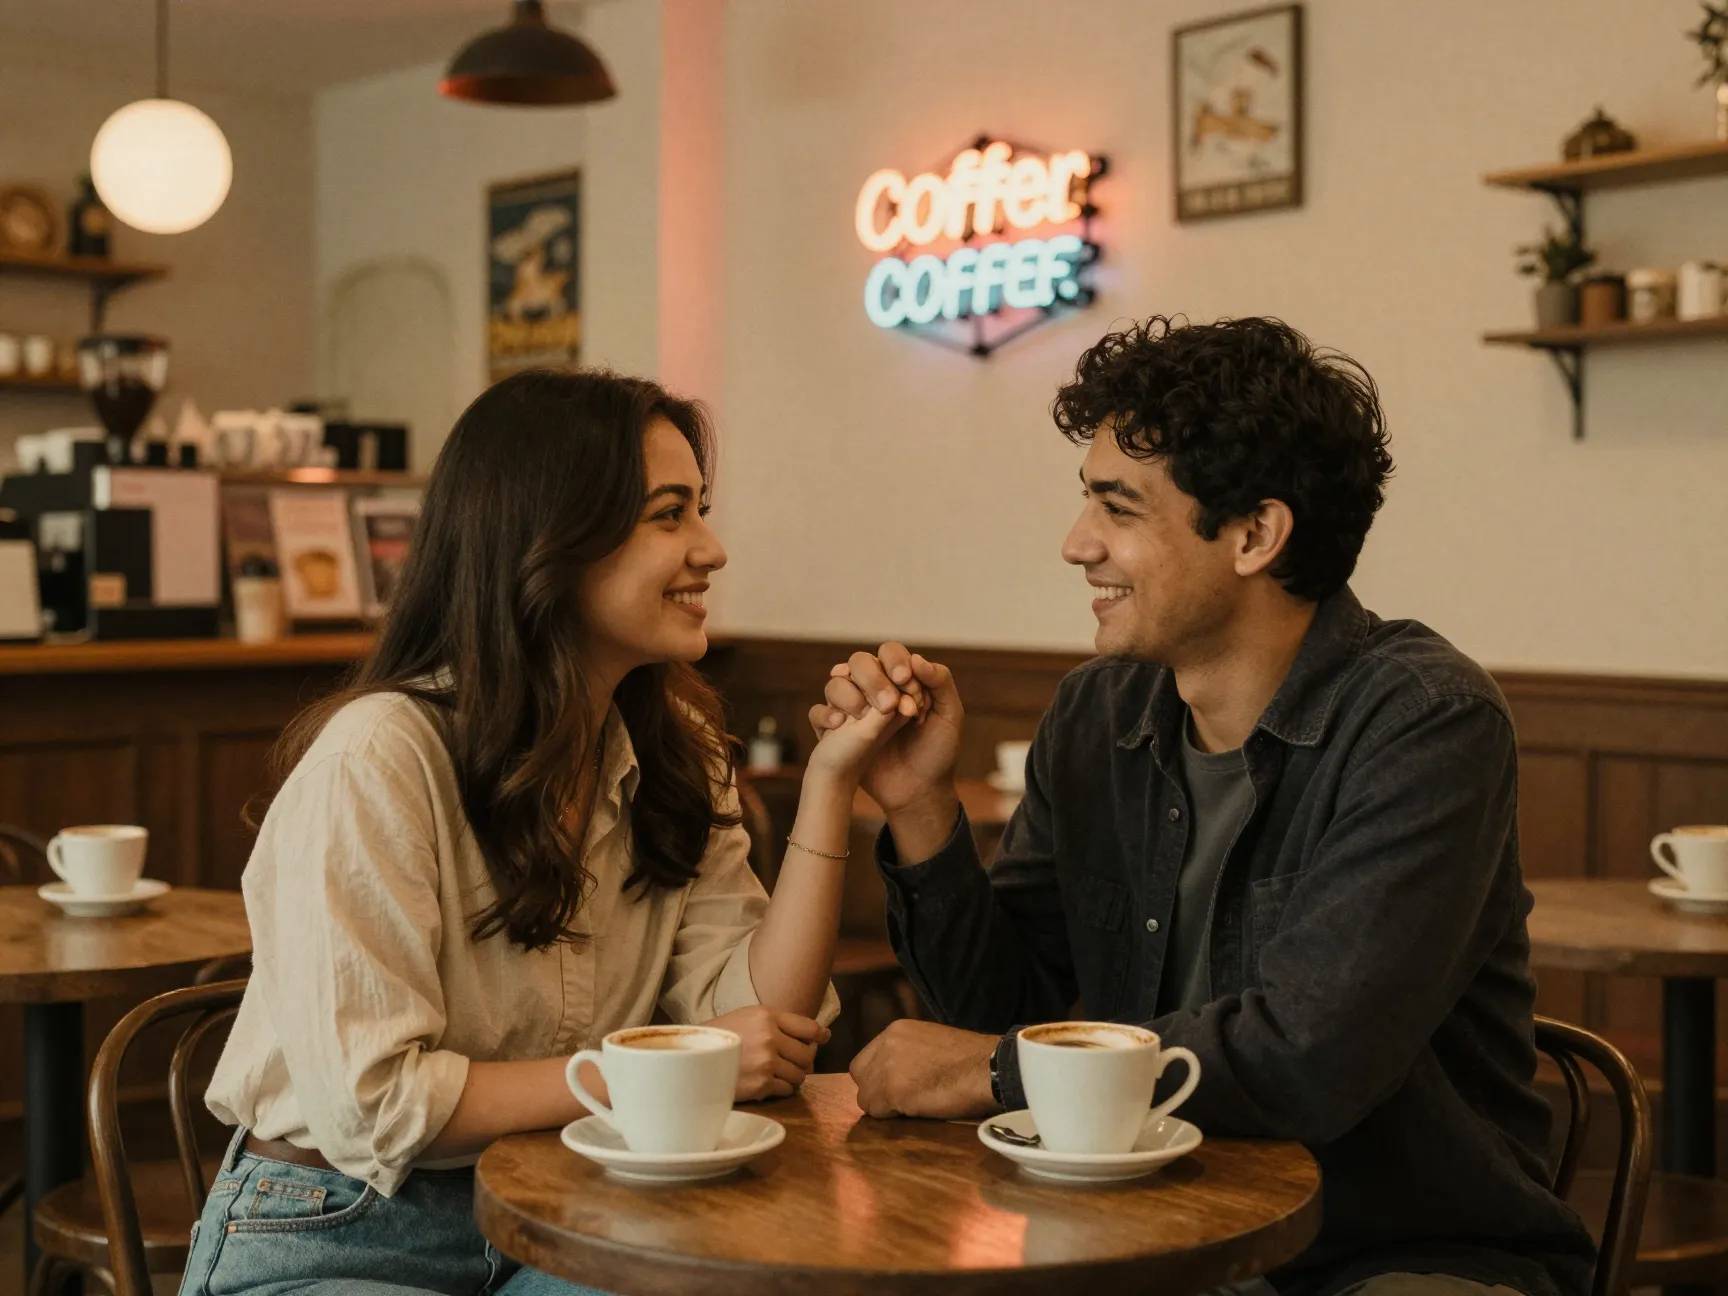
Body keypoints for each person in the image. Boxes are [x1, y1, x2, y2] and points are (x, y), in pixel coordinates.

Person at [814, 317, 1597, 1296]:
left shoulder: (1425, 721)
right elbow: (1000, 1011)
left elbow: (1309, 1059)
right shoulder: (1099, 715)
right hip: (1153, 1230)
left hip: (1395, 1252)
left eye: (1119, 508)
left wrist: (999, 1074)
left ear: (1255, 535)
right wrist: (922, 805)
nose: (1075, 544)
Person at [183, 369, 917, 1296]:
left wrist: (829, 783)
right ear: (549, 542)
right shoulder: (381, 757)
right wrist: (657, 1072)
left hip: (579, 1198)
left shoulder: (679, 749)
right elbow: (379, 1108)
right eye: (670, 514)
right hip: (344, 1225)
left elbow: (758, 1024)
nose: (713, 548)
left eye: (701, 510)